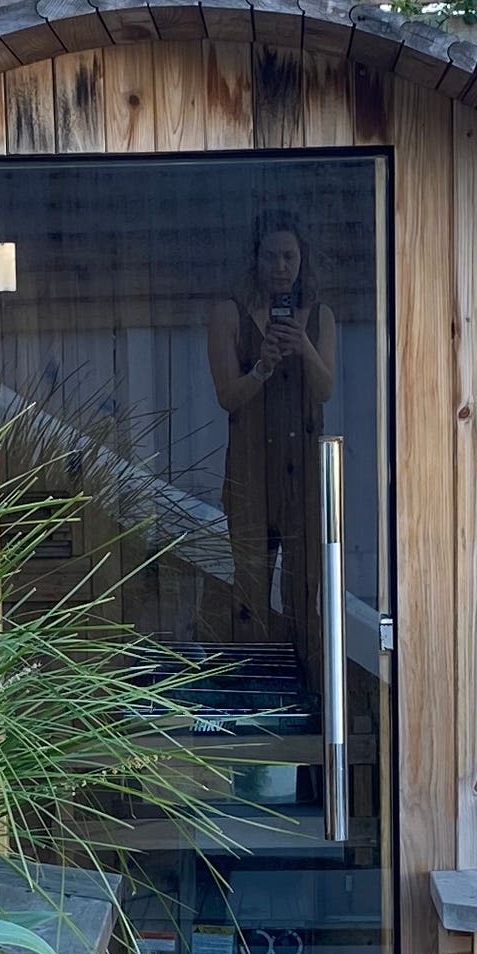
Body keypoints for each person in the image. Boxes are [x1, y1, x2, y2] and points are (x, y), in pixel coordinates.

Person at [207, 210, 337, 654]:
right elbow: (227, 396)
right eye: (271, 257)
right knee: (250, 589)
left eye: (289, 256)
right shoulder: (229, 315)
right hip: (250, 472)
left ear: (302, 261)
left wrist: (302, 347)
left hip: (302, 476)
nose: (281, 267)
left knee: (306, 591)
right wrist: (261, 368)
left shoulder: (319, 317)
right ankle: (255, 693)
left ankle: (308, 692)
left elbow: (325, 390)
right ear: (255, 261)